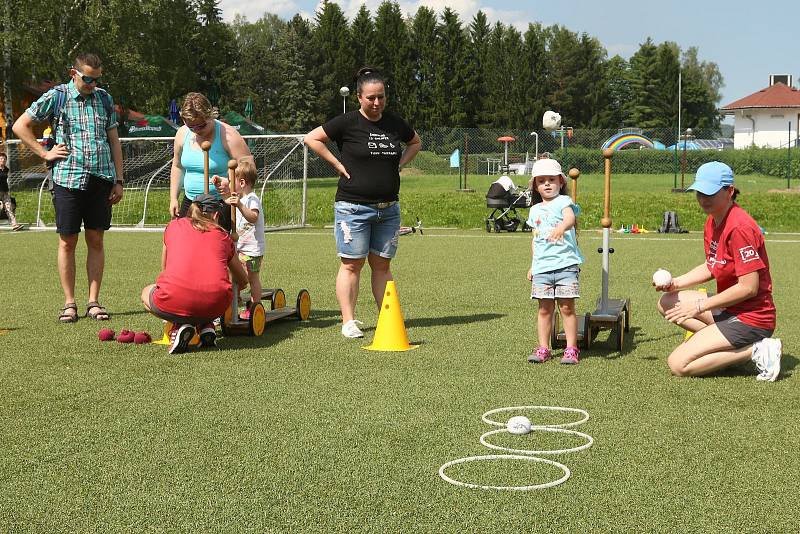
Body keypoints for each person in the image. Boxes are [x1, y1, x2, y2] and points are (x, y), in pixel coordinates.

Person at [304, 67, 421, 338]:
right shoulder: (347, 122)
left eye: (381, 97)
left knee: (382, 266)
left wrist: (400, 164)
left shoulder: (394, 122)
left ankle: (387, 320)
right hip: (353, 208)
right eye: (371, 98)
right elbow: (312, 138)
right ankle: (349, 321)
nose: (377, 102)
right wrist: (336, 163)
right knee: (351, 264)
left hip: (388, 209)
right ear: (359, 97)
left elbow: (415, 142)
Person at [12, 52, 124, 323]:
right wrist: (43, 153)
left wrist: (119, 180)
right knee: (67, 241)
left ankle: (94, 302)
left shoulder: (104, 99)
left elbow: (114, 140)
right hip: (67, 180)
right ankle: (69, 303)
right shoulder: (57, 96)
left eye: (96, 79)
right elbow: (20, 125)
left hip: (101, 179)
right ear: (73, 73)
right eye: (87, 79)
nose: (92, 84)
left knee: (96, 240)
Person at [655, 161, 781, 380]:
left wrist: (700, 306)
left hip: (752, 318)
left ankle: (757, 350)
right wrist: (675, 283)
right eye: (699, 193)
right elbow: (712, 266)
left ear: (729, 191)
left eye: (710, 194)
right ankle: (715, 345)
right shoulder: (712, 221)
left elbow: (748, 288)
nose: (703, 199)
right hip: (729, 310)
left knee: (678, 364)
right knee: (667, 301)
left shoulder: (740, 227)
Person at [140, 193, 248, 354]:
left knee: (146, 293)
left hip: (174, 298)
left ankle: (180, 325)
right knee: (206, 297)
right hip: (216, 306)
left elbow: (164, 268)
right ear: (217, 215)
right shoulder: (223, 236)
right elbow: (242, 280)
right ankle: (206, 326)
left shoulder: (173, 226)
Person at [525, 158, 584, 364]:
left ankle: (571, 349)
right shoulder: (534, 210)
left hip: (565, 265)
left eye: (551, 179)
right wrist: (533, 265)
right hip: (542, 268)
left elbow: (569, 219)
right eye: (542, 181)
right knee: (544, 309)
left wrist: (562, 228)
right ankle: (543, 348)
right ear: (536, 186)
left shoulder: (564, 203)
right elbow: (535, 240)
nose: (547, 184)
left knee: (566, 308)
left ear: (561, 182)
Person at [169, 92, 251, 230]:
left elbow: (249, 168)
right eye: (191, 127)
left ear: (211, 115)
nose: (196, 131)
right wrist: (173, 198)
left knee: (215, 248)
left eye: (201, 126)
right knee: (184, 244)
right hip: (190, 202)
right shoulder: (182, 134)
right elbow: (178, 167)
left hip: (220, 203)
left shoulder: (229, 136)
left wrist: (231, 184)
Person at [223, 159, 265, 320]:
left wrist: (240, 205)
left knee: (252, 278)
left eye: (230, 180)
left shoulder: (251, 199)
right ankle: (236, 298)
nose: (228, 183)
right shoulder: (239, 197)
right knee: (234, 274)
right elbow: (224, 202)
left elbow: (253, 217)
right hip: (239, 247)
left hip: (252, 249)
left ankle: (256, 307)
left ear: (241, 182)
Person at [0, 152, 23, 231]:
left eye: (4, 159)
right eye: (1, 159)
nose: (3, 160)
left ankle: (14, 225)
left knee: (9, 207)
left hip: (5, 191)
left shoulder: (6, 169)